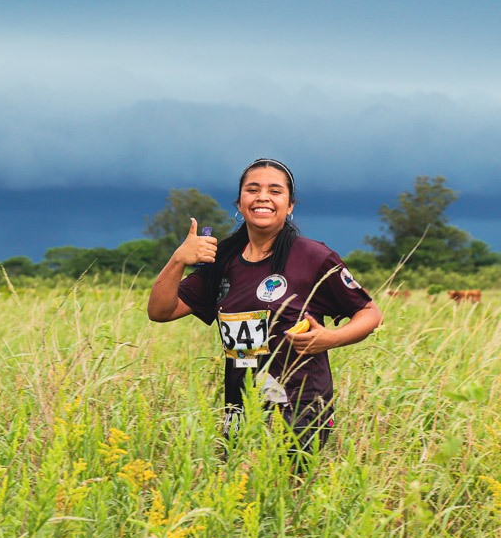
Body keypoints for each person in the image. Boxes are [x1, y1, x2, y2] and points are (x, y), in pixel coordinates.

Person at [148, 158, 382, 466]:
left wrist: (331, 338)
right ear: (240, 202)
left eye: (275, 190)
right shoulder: (223, 262)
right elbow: (160, 311)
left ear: (290, 206)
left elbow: (369, 312)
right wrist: (178, 259)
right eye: (252, 189)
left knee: (283, 501)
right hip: (241, 408)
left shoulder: (314, 257)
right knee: (240, 499)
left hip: (299, 408)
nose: (262, 197)